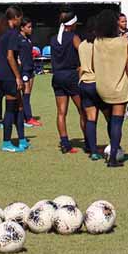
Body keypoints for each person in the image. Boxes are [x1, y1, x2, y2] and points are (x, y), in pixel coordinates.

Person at [94, 10, 128, 167]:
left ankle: (112, 148)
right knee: (117, 123)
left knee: (110, 121)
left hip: (101, 87)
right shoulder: (124, 42)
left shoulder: (97, 42)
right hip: (118, 88)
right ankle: (113, 156)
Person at [50, 8, 85, 154]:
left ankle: (65, 143)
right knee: (83, 111)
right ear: (72, 24)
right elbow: (84, 53)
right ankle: (89, 142)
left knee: (61, 112)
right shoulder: (73, 37)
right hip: (71, 76)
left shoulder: (53, 39)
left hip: (57, 76)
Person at [0, 6, 28, 153]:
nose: (21, 22)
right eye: (20, 18)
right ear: (15, 17)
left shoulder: (1, 34)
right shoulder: (13, 34)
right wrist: (17, 76)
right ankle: (7, 142)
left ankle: (22, 139)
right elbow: (10, 56)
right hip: (10, 76)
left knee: (19, 106)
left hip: (2, 75)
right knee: (10, 109)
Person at [78, 17, 106, 161]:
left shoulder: (82, 45)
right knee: (112, 117)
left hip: (84, 83)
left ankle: (93, 150)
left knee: (90, 118)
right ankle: (114, 146)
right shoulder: (99, 44)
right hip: (98, 83)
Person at [19, 17, 41, 128]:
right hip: (24, 70)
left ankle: (24, 117)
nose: (31, 29)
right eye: (29, 27)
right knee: (25, 94)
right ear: (22, 28)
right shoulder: (18, 39)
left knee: (27, 95)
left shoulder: (28, 39)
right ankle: (28, 118)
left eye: (31, 27)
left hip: (30, 68)